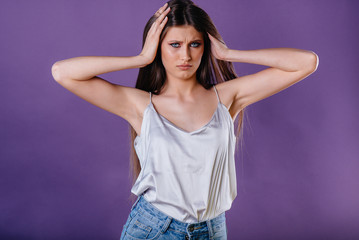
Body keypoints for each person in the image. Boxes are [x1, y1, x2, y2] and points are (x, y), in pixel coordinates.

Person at [51, 0, 318, 239]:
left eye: (194, 44)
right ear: (159, 47)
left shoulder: (227, 97)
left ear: (205, 46)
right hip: (154, 229)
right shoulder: (140, 105)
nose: (185, 56)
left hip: (212, 230)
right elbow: (63, 72)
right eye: (174, 45)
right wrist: (141, 58)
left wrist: (228, 54)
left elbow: (306, 62)